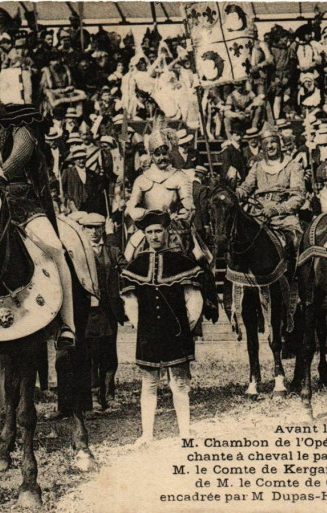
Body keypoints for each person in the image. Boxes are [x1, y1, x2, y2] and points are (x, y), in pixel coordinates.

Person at [0, 45, 80, 348]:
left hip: (17, 199)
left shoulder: (17, 114)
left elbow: (23, 151)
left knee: (55, 248)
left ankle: (66, 325)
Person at [120, 211, 203, 445]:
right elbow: (131, 302)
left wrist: (184, 330)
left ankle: (184, 431)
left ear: (166, 232)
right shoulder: (137, 265)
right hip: (148, 335)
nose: (155, 236)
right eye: (150, 232)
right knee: (149, 383)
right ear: (144, 235)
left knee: (179, 383)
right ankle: (147, 434)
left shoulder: (182, 263)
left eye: (158, 231)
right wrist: (142, 328)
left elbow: (194, 301)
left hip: (176, 333)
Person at [236, 127, 306, 277]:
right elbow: (246, 186)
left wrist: (277, 209)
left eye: (273, 142)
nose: (270, 146)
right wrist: (237, 194)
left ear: (279, 144)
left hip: (283, 215)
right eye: (266, 143)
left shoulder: (293, 165)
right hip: (257, 211)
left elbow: (298, 196)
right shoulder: (257, 166)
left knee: (296, 241)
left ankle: (294, 278)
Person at [124, 129, 195, 260]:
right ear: (151, 156)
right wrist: (145, 216)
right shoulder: (141, 179)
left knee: (200, 257)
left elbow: (189, 205)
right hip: (148, 227)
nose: (162, 157)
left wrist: (182, 216)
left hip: (173, 227)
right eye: (157, 154)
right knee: (127, 257)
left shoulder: (180, 177)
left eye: (164, 153)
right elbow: (131, 208)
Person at [80, 213, 126, 411]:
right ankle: (93, 397)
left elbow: (129, 270)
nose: (93, 232)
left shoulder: (113, 251)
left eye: (97, 228)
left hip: (108, 311)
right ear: (82, 230)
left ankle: (109, 395)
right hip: (87, 313)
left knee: (109, 353)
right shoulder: (76, 253)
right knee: (90, 354)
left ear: (102, 230)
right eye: (89, 228)